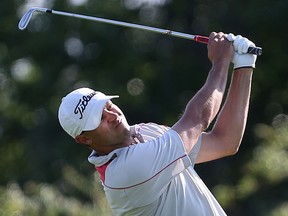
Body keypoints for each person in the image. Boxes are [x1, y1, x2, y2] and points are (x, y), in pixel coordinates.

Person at [58, 32, 257, 216]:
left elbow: (225, 142)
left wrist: (244, 66)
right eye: (100, 118)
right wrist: (220, 62)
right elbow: (197, 120)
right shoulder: (123, 174)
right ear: (84, 139)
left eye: (108, 105)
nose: (112, 115)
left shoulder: (146, 132)